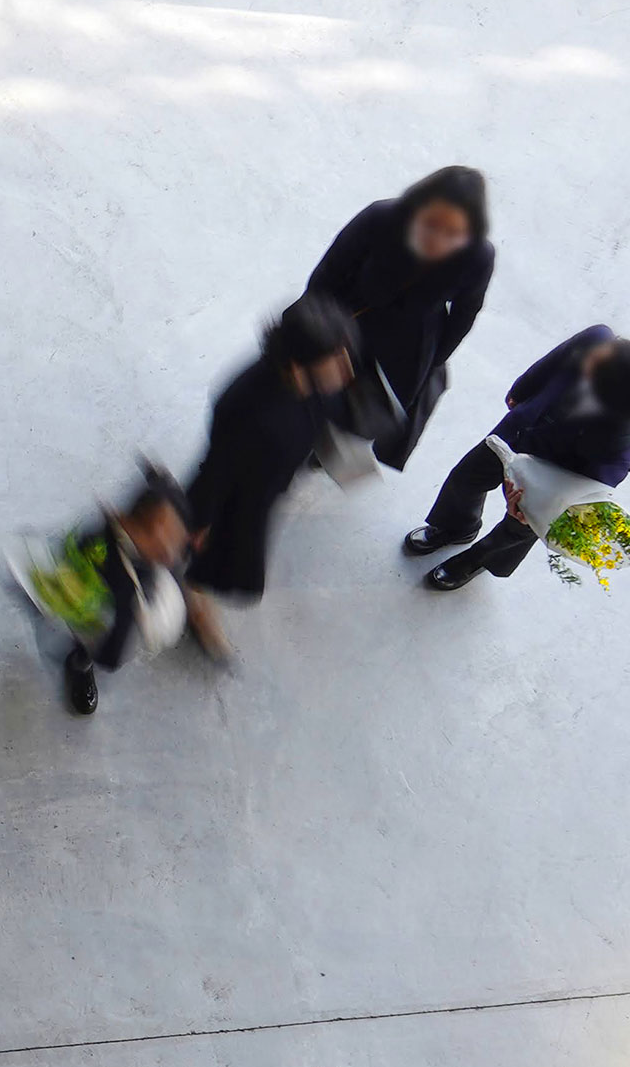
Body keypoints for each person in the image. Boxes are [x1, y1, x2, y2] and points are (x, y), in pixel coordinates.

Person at [182, 294, 359, 658]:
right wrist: (202, 522)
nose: (347, 369)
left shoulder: (315, 388)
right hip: (236, 499)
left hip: (267, 487)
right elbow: (217, 470)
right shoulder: (245, 407)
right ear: (298, 365)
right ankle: (194, 596)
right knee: (221, 558)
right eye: (335, 359)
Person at [405, 325, 630, 589]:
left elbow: (586, 490)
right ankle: (457, 527)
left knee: (517, 530)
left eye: (595, 364)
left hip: (549, 474)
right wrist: (520, 391)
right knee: (465, 478)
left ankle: (477, 559)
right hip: (515, 435)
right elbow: (552, 362)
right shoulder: (599, 339)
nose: (590, 355)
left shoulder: (617, 444)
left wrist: (539, 506)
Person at [305, 166, 493, 468]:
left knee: (370, 407)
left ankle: (324, 452)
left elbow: (465, 311)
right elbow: (328, 274)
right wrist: (316, 330)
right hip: (350, 321)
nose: (438, 240)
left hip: (408, 345)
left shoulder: (478, 256)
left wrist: (434, 359)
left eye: (453, 234)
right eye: (431, 224)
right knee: (318, 386)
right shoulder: (381, 218)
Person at [29, 464, 192, 718]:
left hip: (128, 607)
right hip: (98, 608)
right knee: (97, 648)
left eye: (173, 543)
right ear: (127, 523)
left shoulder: (158, 558)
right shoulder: (97, 545)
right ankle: (79, 664)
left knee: (116, 646)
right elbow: (67, 574)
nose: (168, 552)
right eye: (159, 539)